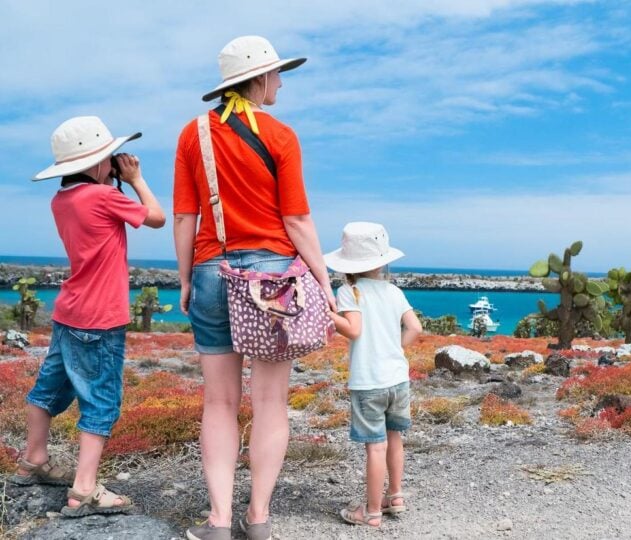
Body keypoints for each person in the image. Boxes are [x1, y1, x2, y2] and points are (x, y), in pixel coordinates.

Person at [173, 35, 335, 540]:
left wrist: (184, 278)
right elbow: (298, 219)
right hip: (273, 280)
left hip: (210, 270)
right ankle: (259, 518)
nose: (282, 82)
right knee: (271, 401)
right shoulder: (282, 136)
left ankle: (218, 520)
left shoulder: (191, 135)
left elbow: (184, 216)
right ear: (260, 78)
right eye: (277, 74)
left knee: (219, 401)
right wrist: (325, 282)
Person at [11, 116, 165, 516]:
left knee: (47, 390)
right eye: (109, 157)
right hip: (101, 317)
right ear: (96, 162)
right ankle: (83, 490)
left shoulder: (61, 200)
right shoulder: (103, 197)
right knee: (101, 402)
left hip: (69, 311)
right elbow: (156, 217)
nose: (115, 161)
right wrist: (133, 179)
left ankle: (34, 459)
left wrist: (110, 176)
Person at [324, 222, 423, 529]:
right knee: (395, 439)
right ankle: (395, 497)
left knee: (375, 447)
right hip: (398, 378)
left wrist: (326, 313)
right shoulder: (394, 291)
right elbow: (416, 329)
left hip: (369, 382)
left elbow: (354, 330)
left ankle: (370, 512)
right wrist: (396, 349)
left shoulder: (349, 291)